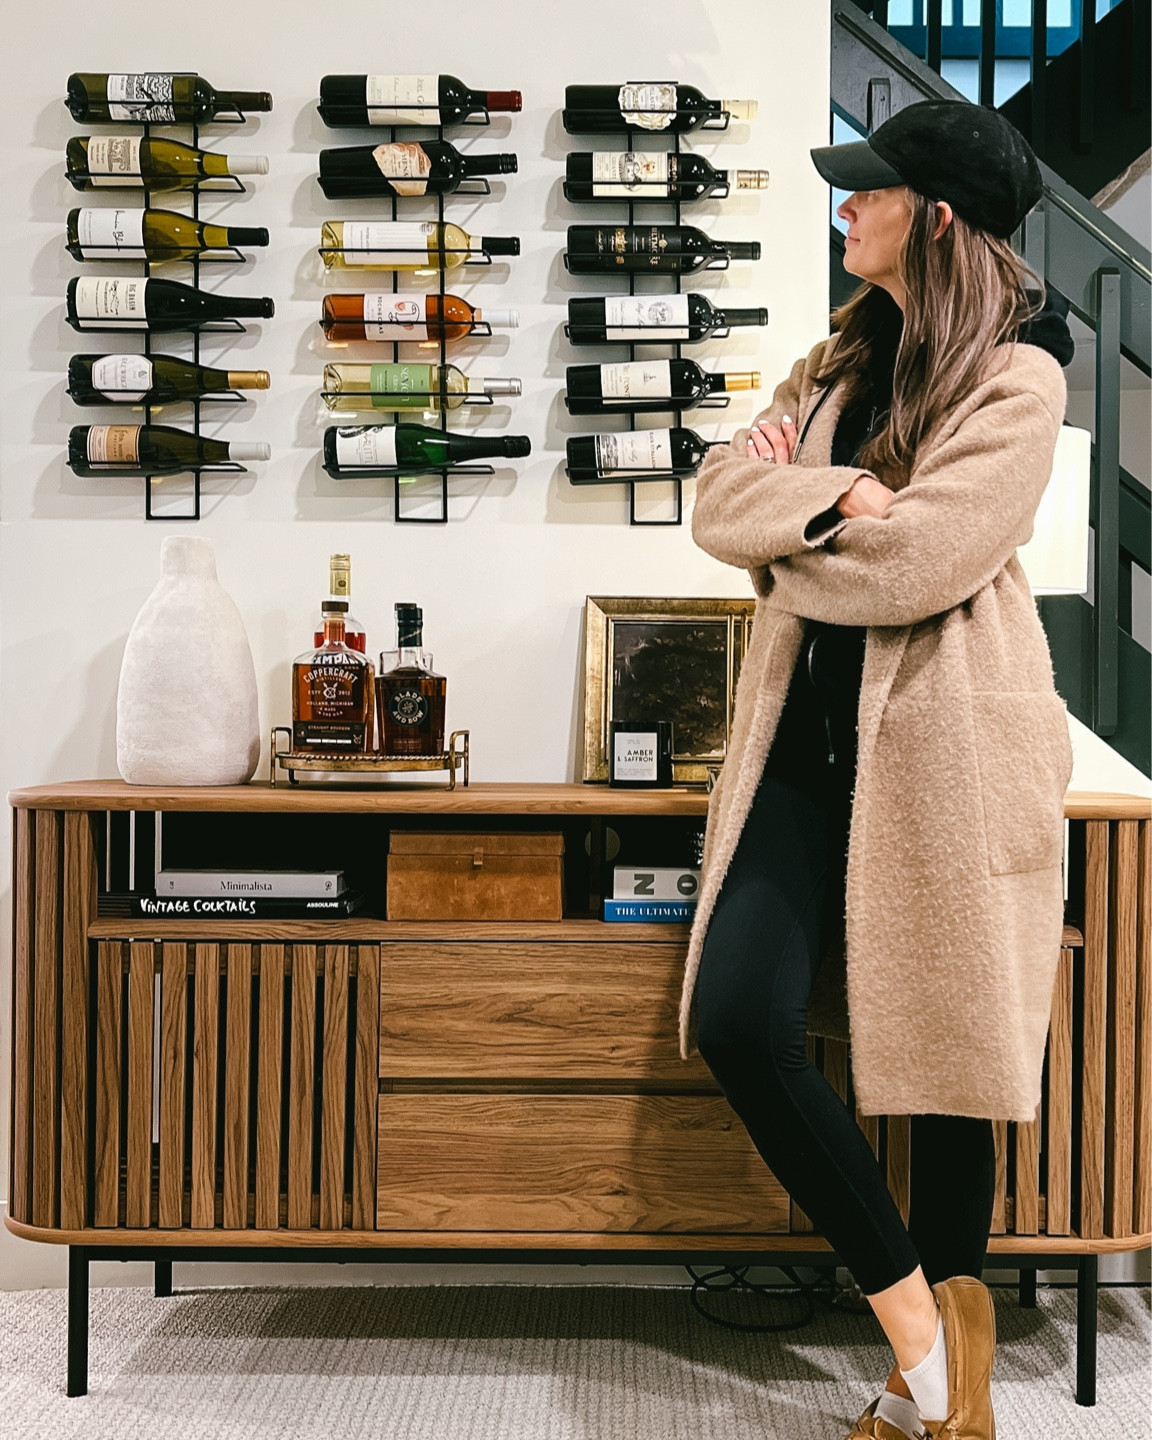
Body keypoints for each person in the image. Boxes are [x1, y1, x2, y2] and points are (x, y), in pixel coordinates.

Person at [678, 99, 1075, 1440]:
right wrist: (839, 501)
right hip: (803, 747)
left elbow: (930, 562)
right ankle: (923, 1333)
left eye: (870, 191)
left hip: (952, 749)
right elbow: (714, 502)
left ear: (940, 218)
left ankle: (932, 1407)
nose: (847, 208)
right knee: (739, 1017)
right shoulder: (837, 360)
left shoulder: (1022, 376)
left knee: (949, 1068)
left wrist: (799, 517)